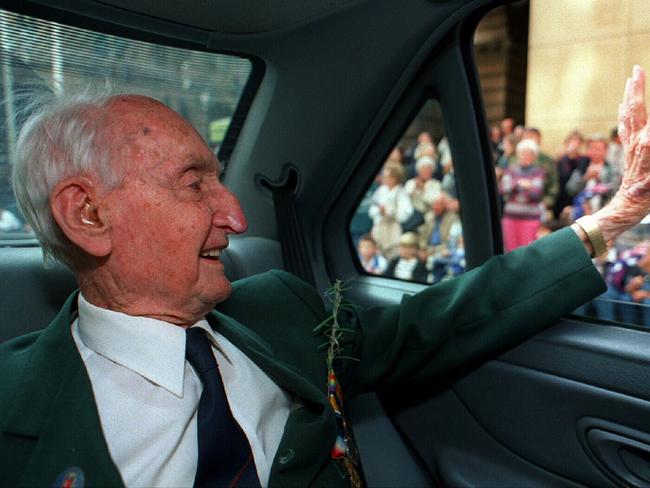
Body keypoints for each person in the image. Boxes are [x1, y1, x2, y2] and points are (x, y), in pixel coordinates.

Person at [3, 65, 650, 487]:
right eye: (193, 182)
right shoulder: (12, 409)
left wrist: (615, 218)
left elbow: (439, 321)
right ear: (87, 214)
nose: (234, 214)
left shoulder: (279, 311)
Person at [499, 139, 546, 251]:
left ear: (534, 156)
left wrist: (528, 187)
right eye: (522, 153)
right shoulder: (511, 170)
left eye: (529, 153)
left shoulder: (538, 172)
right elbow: (503, 189)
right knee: (510, 250)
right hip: (510, 217)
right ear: (518, 154)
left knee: (527, 251)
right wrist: (519, 184)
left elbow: (536, 193)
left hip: (530, 218)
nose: (525, 156)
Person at [368, 163, 413, 259]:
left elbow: (406, 213)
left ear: (395, 178)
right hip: (379, 226)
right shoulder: (380, 191)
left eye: (388, 177)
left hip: (393, 228)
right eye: (385, 176)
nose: (385, 179)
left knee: (392, 254)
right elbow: (372, 208)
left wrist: (389, 211)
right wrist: (379, 211)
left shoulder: (401, 193)